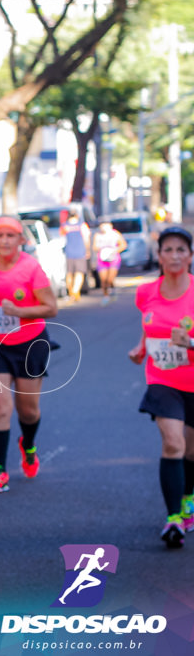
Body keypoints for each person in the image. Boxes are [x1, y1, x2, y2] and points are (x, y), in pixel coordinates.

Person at [0, 216, 59, 493]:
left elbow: (51, 307)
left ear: (21, 240)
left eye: (10, 236)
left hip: (30, 342)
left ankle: (28, 445)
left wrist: (20, 312)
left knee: (27, 411)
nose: (4, 241)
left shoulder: (31, 269)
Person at [127, 225, 194, 549]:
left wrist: (191, 342)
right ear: (160, 256)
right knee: (173, 444)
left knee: (191, 451)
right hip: (162, 380)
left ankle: (188, 497)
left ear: (190, 256)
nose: (175, 255)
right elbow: (150, 326)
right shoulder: (146, 292)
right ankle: (173, 519)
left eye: (181, 249)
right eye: (168, 249)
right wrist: (140, 348)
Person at [92, 220, 127, 305]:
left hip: (113, 258)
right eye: (102, 225)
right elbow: (94, 247)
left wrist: (115, 250)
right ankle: (106, 295)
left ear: (110, 226)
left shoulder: (115, 234)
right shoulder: (98, 235)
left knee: (110, 279)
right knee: (103, 280)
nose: (103, 227)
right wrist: (102, 250)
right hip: (102, 259)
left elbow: (123, 245)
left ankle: (112, 288)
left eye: (105, 225)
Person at [60, 208, 90, 303]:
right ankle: (75, 291)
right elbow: (86, 238)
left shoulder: (65, 226)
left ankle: (71, 291)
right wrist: (87, 250)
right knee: (79, 273)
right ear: (77, 215)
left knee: (69, 273)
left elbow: (61, 237)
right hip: (80, 251)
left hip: (69, 252)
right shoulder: (82, 225)